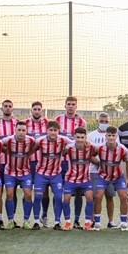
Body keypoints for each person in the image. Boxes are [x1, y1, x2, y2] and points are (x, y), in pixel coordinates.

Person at [55, 96, 87, 228]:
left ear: (76, 106)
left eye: (73, 104)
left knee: (78, 193)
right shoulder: (58, 119)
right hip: (61, 162)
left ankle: (76, 220)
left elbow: (83, 141)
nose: (71, 106)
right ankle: (58, 220)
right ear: (65, 106)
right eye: (68, 104)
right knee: (59, 192)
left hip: (76, 163)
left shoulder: (81, 121)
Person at [92, 126, 128, 231]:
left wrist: (127, 178)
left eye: (113, 136)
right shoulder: (99, 148)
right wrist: (97, 163)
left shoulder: (123, 149)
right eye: (109, 135)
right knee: (98, 196)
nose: (111, 138)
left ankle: (123, 222)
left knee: (123, 196)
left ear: (116, 136)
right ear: (105, 136)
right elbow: (90, 155)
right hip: (103, 176)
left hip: (118, 177)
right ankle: (97, 222)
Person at [33, 121, 71, 230]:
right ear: (47, 130)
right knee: (38, 196)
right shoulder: (40, 141)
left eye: (55, 130)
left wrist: (67, 150)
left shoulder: (63, 140)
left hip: (56, 174)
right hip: (41, 174)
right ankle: (36, 221)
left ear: (58, 131)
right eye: (51, 130)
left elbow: (74, 143)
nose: (53, 132)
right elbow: (30, 150)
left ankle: (57, 222)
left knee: (59, 197)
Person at [1, 122, 36, 229]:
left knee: (28, 195)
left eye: (23, 130)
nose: (21, 133)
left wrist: (29, 154)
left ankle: (26, 221)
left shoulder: (31, 140)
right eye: (19, 130)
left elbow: (36, 148)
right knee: (10, 194)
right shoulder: (8, 140)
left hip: (25, 172)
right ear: (15, 130)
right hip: (10, 172)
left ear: (26, 131)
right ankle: (11, 220)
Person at [87, 113, 119, 229]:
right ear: (97, 121)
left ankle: (111, 221)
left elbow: (117, 152)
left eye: (106, 121)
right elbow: (89, 154)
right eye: (102, 121)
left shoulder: (115, 135)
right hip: (95, 171)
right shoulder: (90, 135)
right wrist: (100, 163)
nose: (104, 123)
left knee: (110, 196)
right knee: (96, 196)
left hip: (110, 172)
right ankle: (93, 221)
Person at [62, 128, 96, 231]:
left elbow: (98, 153)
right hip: (71, 179)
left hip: (85, 179)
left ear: (86, 138)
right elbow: (63, 153)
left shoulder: (91, 147)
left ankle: (87, 223)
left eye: (82, 137)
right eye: (78, 137)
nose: (80, 140)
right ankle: (68, 222)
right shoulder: (69, 147)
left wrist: (98, 162)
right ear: (74, 137)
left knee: (90, 197)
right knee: (66, 199)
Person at [0, 99, 19, 224]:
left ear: (12, 109)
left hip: (13, 162)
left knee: (12, 191)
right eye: (5, 106)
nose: (8, 108)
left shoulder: (18, 123)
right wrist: (3, 147)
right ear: (2, 108)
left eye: (10, 106)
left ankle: (11, 218)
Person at [26, 101, 50, 225]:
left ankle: (44, 215)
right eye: (34, 109)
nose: (36, 111)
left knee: (44, 191)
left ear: (42, 110)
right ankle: (27, 218)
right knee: (27, 190)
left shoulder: (48, 123)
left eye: (38, 109)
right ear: (31, 110)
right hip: (28, 162)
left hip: (43, 162)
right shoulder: (25, 123)